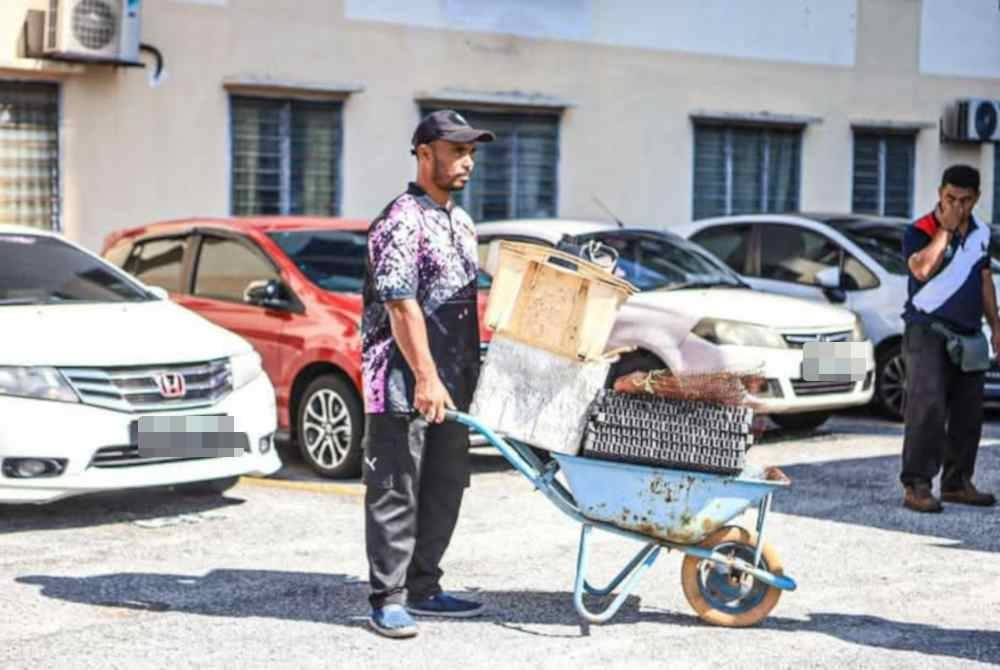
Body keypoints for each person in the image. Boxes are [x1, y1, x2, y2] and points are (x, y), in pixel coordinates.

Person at [360, 110, 495, 637]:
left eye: (471, 153)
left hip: (452, 381)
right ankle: (387, 597)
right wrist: (424, 377)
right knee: (397, 488)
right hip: (400, 378)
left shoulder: (460, 222)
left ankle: (425, 586)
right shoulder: (400, 219)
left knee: (444, 487)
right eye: (456, 151)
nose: (467, 162)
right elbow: (400, 304)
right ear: (424, 154)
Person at [900, 164, 999, 513]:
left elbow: (984, 279)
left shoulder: (981, 234)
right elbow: (922, 269)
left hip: (968, 333)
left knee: (969, 412)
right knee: (927, 409)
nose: (957, 206)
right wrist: (945, 230)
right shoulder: (921, 229)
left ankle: (957, 483)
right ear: (940, 194)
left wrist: (996, 328)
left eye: (965, 200)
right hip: (927, 330)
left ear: (977, 199)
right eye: (950, 198)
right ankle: (916, 484)